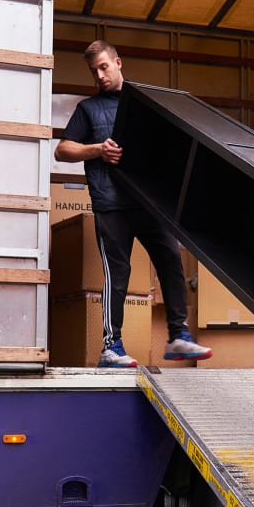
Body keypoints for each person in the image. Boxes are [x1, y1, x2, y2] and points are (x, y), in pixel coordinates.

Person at [55, 40, 212, 368]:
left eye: (104, 67)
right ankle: (111, 347)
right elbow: (63, 150)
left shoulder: (144, 104)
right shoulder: (89, 110)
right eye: (94, 71)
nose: (100, 75)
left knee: (171, 259)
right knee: (118, 273)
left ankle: (179, 337)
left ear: (118, 62)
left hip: (149, 203)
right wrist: (97, 149)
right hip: (110, 205)